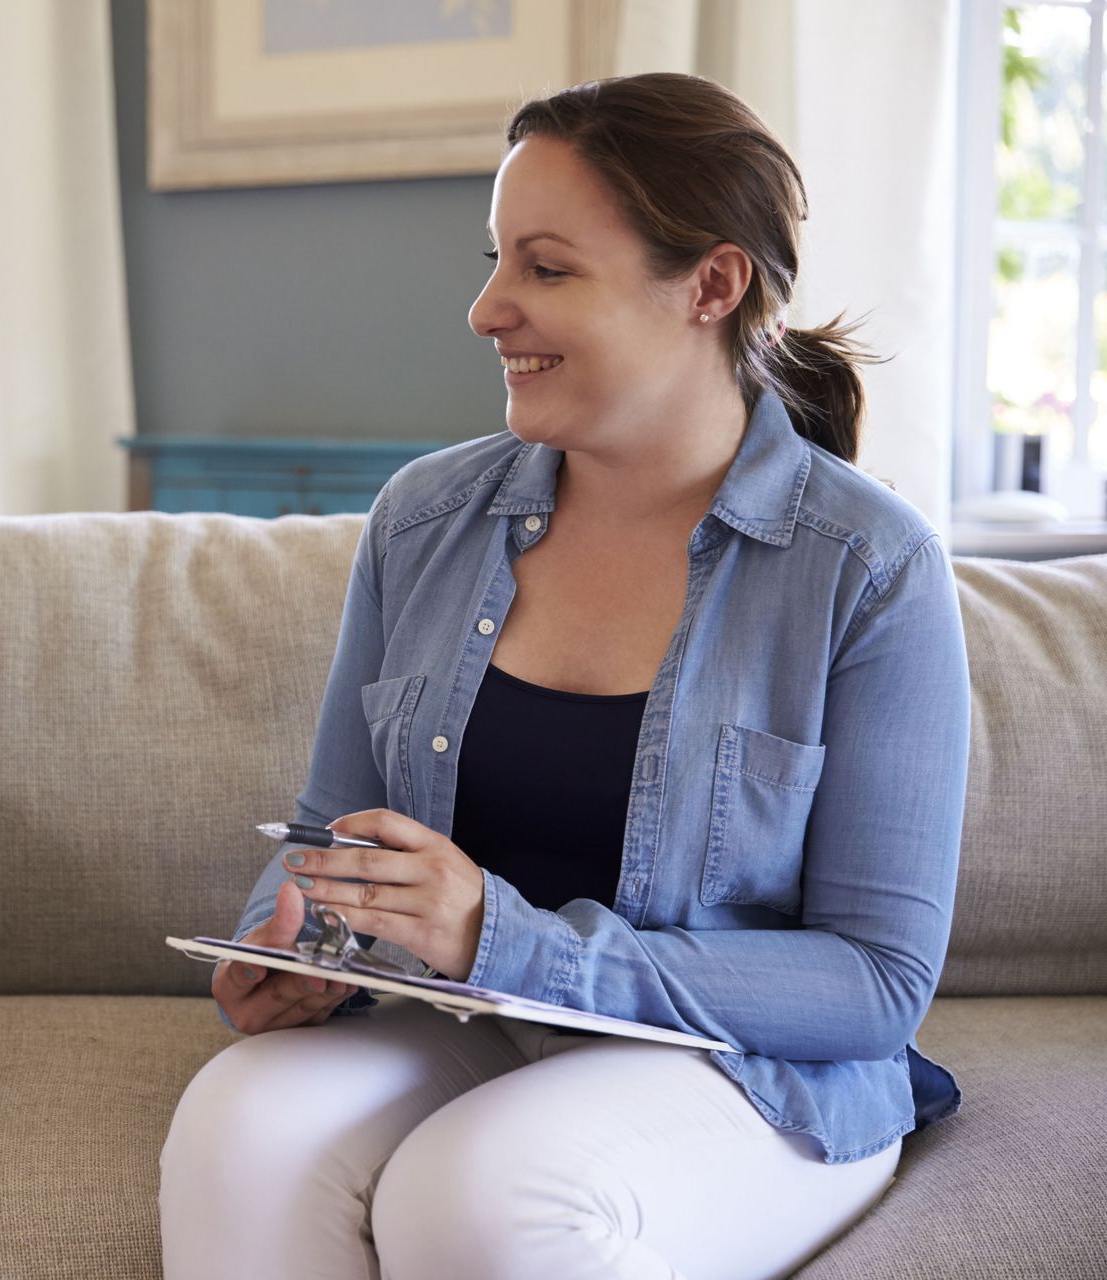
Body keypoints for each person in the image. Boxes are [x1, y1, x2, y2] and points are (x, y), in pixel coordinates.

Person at [160, 73, 969, 1280]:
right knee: (240, 1123)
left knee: (481, 1192)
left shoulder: (867, 567)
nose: (487, 308)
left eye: (545, 268)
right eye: (493, 260)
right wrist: (296, 943)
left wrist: (508, 935)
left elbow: (876, 982)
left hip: (749, 1067)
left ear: (710, 284)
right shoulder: (425, 521)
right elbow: (333, 830)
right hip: (480, 1021)